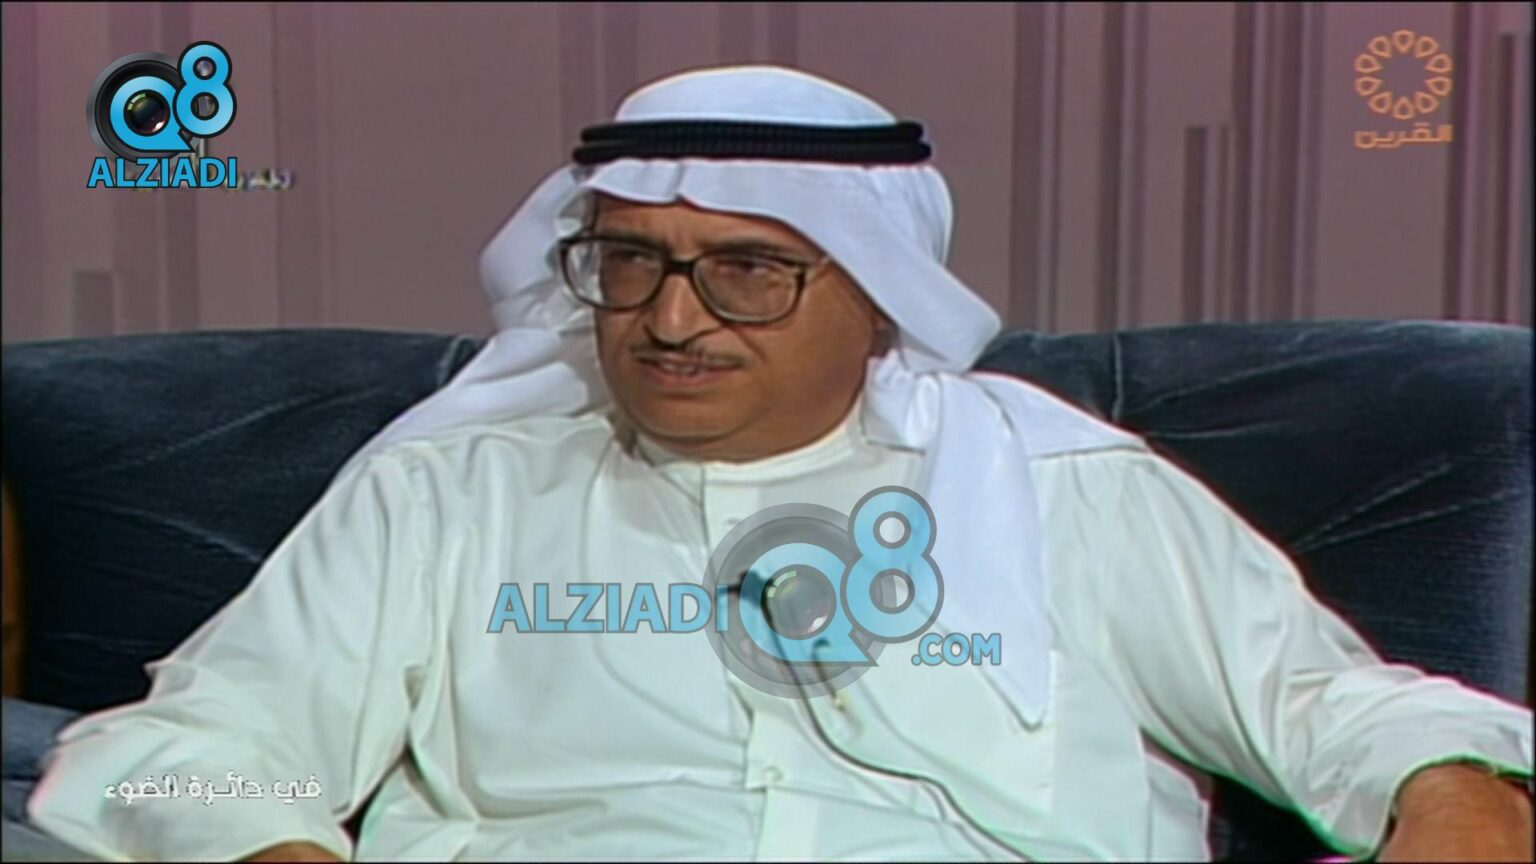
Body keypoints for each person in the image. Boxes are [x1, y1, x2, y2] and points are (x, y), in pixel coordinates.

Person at [20, 65, 1534, 862]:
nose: (672, 320)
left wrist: (1461, 796)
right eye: (630, 263)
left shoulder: (1064, 485)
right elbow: (203, 747)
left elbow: (1331, 708)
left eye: (748, 271)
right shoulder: (454, 494)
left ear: (879, 299)